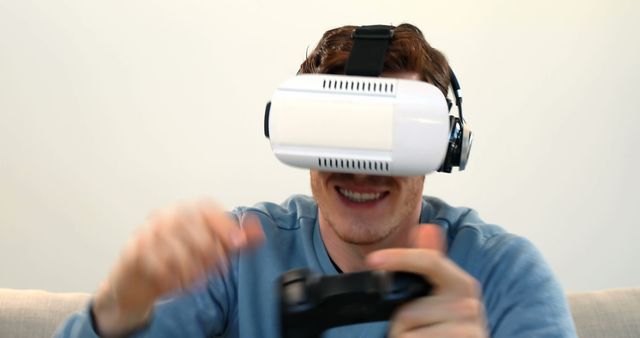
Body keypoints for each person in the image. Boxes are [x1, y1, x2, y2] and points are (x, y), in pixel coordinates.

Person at [55, 23, 577, 338]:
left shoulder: (507, 275)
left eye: (389, 137)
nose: (361, 167)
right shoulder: (233, 253)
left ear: (444, 148)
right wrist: (115, 309)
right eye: (339, 132)